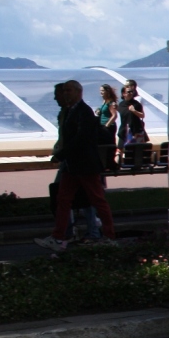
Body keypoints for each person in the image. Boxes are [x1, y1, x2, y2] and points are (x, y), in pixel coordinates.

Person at [34, 81, 116, 252]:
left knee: (96, 200)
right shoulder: (72, 111)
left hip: (84, 165)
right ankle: (58, 237)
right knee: (63, 200)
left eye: (68, 90)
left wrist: (61, 155)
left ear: (79, 92)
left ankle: (109, 236)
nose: (65, 94)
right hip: (74, 166)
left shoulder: (83, 112)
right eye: (64, 91)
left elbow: (81, 138)